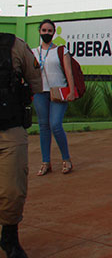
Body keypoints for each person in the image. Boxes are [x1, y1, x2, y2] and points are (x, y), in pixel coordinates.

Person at [0, 32, 42, 258]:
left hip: (10, 129)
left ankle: (9, 236)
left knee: (13, 190)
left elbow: (34, 79)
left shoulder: (14, 45)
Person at [32, 19, 75, 176]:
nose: (46, 33)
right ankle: (46, 162)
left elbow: (69, 72)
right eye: (44, 30)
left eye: (49, 31)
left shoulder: (62, 51)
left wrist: (71, 91)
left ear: (54, 32)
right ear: (39, 31)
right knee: (44, 127)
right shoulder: (34, 52)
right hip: (40, 92)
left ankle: (66, 159)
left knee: (55, 125)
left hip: (58, 92)